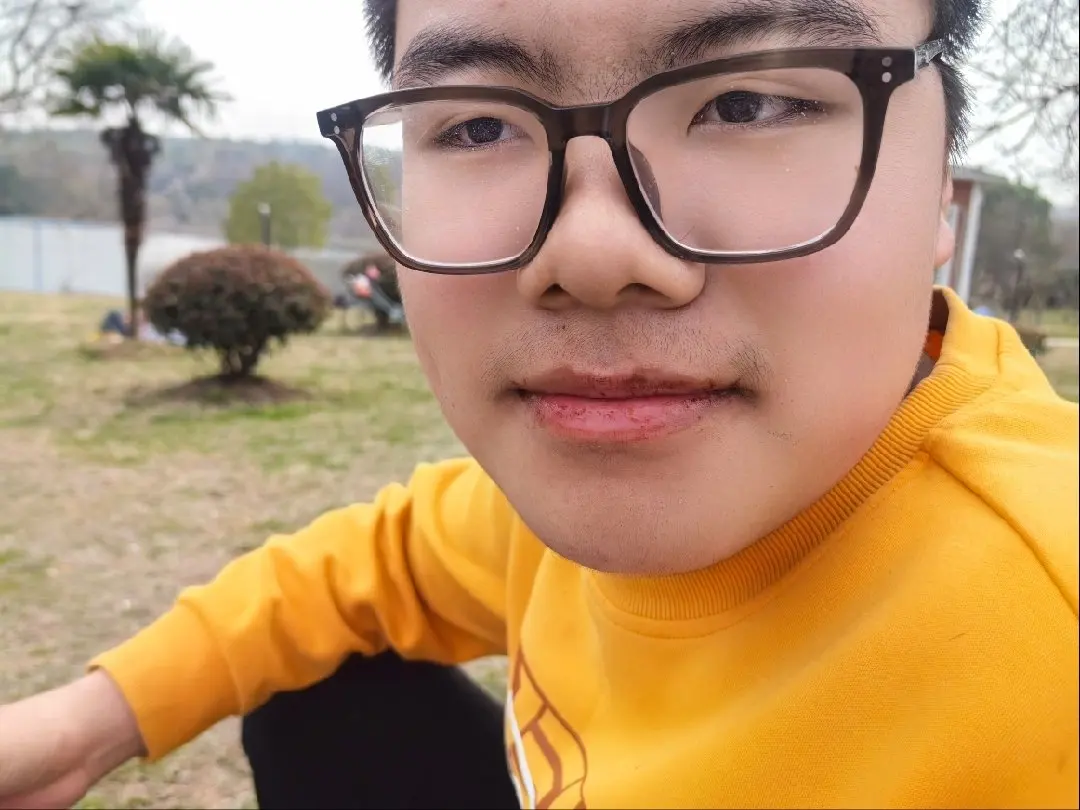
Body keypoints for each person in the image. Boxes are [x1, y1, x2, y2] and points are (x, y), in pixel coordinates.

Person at [1, 0, 1077, 807]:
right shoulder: (545, 494)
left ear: (942, 195)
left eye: (749, 102)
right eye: (476, 125)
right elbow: (373, 564)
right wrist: (91, 720)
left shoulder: (1044, 637)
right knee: (321, 693)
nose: (593, 252)